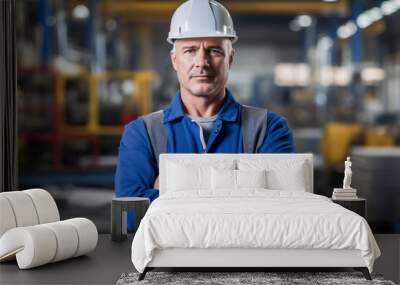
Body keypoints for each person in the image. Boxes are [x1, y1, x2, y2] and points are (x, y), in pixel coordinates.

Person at [115, 0, 295, 230]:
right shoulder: (142, 133)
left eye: (214, 50)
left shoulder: (269, 129)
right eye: (190, 50)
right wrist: (243, 188)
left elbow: (282, 211)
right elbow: (130, 216)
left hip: (248, 262)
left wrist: (169, 188)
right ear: (174, 60)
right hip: (166, 264)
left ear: (230, 58)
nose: (202, 61)